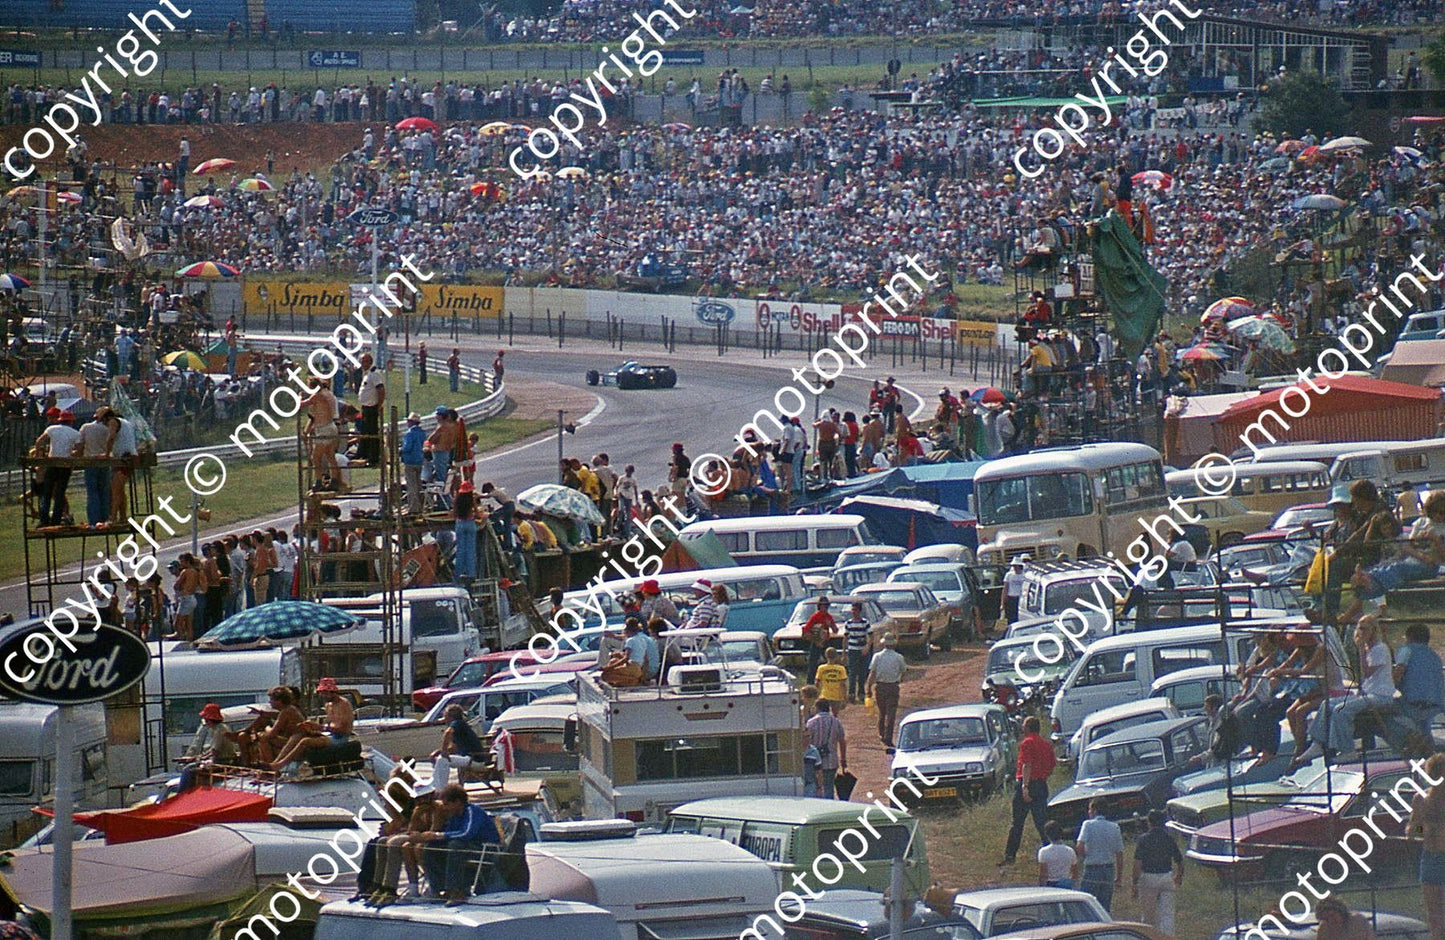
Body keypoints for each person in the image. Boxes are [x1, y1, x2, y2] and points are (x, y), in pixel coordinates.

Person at [421, 783, 502, 904]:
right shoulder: (454, 816)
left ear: (458, 802)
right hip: (467, 848)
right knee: (431, 847)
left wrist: (439, 835)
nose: (444, 807)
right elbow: (449, 833)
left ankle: (457, 891)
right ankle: (437, 888)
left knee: (455, 845)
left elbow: (466, 833)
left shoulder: (472, 811)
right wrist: (432, 836)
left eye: (447, 804)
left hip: (485, 850)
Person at [1001, 715, 1056, 866]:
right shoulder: (1046, 744)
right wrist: (1043, 776)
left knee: (1017, 823)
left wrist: (1025, 787)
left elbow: (1027, 765)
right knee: (1042, 822)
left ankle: (1010, 856)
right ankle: (1051, 853)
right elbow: (1052, 765)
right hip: (1041, 784)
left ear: (1028, 728)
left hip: (1027, 784)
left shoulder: (1027, 743)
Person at [367, 791, 438, 905]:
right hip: (418, 836)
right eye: (418, 799)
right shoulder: (417, 809)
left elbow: (435, 829)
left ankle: (390, 888)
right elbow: (412, 829)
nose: (420, 801)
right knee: (381, 842)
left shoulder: (437, 808)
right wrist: (417, 815)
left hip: (430, 838)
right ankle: (379, 885)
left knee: (394, 843)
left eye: (423, 798)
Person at [269, 677, 355, 770]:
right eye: (322, 693)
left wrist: (321, 727)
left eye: (325, 693)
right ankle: (275, 764)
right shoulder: (328, 705)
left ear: (332, 692)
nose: (323, 696)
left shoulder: (344, 704)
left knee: (305, 741)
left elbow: (343, 730)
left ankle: (280, 765)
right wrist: (312, 728)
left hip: (339, 738)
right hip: (329, 735)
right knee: (298, 735)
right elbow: (328, 726)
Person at [1407, 752, 1445, 940]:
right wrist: (1426, 829)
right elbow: (1413, 831)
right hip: (1430, 857)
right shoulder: (1421, 799)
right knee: (1434, 913)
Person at [1131, 811, 1183, 935]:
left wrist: (1134, 883)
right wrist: (1179, 876)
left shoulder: (1143, 839)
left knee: (1148, 916)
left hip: (1148, 878)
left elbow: (1137, 863)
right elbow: (1179, 860)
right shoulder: (1169, 838)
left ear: (1149, 822)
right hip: (1166, 876)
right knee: (1167, 915)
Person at [232, 686, 305, 765]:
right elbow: (273, 716)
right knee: (261, 731)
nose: (269, 702)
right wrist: (262, 713)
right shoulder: (288, 709)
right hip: (291, 739)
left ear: (279, 701)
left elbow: (271, 734)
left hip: (295, 742)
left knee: (263, 737)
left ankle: (269, 765)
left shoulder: (286, 711)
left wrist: (266, 727)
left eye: (271, 699)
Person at [1395, 623, 1445, 735]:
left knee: (1380, 711)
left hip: (1413, 705)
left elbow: (1398, 673)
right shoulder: (1435, 656)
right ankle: (1425, 745)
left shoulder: (1406, 650)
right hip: (1436, 706)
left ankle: (1370, 745)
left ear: (1409, 637)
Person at [1076, 799, 1124, 912]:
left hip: (1092, 868)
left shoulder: (1088, 824)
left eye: (1090, 809)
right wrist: (1119, 877)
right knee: (1104, 906)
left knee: (1087, 906)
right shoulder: (1114, 827)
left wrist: (1085, 855)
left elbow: (1080, 845)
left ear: (1094, 810)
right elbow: (1120, 853)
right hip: (1108, 869)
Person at [34, 408, 79, 526]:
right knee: (59, 493)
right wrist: (71, 454)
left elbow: (39, 442)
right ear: (71, 421)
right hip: (65, 465)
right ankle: (56, 519)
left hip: (52, 463)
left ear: (60, 420)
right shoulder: (75, 433)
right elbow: (79, 451)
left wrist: (40, 455)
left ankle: (44, 520)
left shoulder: (51, 429)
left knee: (46, 493)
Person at [177, 702, 237, 791]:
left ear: (210, 719)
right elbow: (211, 751)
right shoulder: (218, 728)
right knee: (191, 766)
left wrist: (198, 759)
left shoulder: (220, 730)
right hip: (220, 760)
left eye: (206, 720)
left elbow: (214, 751)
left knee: (188, 770)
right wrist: (197, 757)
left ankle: (181, 794)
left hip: (223, 762)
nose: (206, 722)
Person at [430, 703, 487, 788]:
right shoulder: (461, 727)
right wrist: (439, 751)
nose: (444, 719)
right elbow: (453, 748)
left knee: (442, 760)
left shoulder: (458, 723)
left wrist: (444, 751)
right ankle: (435, 785)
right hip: (469, 758)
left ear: (450, 717)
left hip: (474, 759)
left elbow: (448, 733)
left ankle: (439, 789)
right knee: (440, 759)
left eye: (445, 716)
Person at [867, 633, 907, 748]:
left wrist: (868, 687)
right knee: (891, 713)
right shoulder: (899, 657)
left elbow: (872, 673)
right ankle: (888, 736)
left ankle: (881, 733)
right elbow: (903, 671)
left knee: (882, 711)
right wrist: (899, 680)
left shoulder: (877, 657)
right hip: (893, 686)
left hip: (880, 686)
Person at [805, 699, 847, 799]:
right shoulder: (836, 721)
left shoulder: (811, 722)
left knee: (815, 786)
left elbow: (806, 740)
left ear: (817, 708)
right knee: (829, 787)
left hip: (814, 760)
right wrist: (843, 759)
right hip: (831, 760)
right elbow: (842, 741)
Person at [357, 352, 385, 465]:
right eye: (362, 361)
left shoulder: (374, 374)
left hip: (372, 407)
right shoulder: (367, 374)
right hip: (366, 407)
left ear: (370, 362)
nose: (363, 363)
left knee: (372, 432)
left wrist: (378, 405)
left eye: (366, 361)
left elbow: (381, 390)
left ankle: (373, 457)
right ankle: (364, 454)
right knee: (365, 431)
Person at [843, 601, 871, 703]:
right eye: (852, 610)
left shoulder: (865, 623)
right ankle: (851, 694)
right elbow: (845, 638)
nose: (853, 612)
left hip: (862, 650)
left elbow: (870, 636)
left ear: (859, 611)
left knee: (862, 672)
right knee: (852, 673)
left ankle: (861, 693)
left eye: (855, 610)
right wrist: (844, 653)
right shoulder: (848, 623)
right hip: (852, 650)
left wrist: (867, 647)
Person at [1037, 821, 1077, 889]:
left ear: (1047, 834)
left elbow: (1043, 874)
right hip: (1066, 884)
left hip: (1050, 884)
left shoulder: (1043, 851)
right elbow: (1075, 873)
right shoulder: (1070, 851)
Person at [803, 596, 836, 680]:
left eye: (826, 606)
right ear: (819, 606)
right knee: (812, 664)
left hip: (825, 642)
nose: (824, 608)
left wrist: (830, 625)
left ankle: (830, 678)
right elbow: (806, 630)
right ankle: (810, 682)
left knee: (830, 662)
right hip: (816, 642)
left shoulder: (829, 617)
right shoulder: (815, 616)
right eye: (823, 606)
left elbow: (835, 630)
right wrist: (815, 640)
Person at [453, 481, 479, 582]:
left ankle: (458, 574)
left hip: (460, 523)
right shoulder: (471, 500)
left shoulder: (457, 500)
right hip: (470, 523)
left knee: (460, 550)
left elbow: (454, 514)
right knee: (470, 550)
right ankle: (470, 574)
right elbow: (476, 513)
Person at [401, 412, 426, 514]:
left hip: (410, 461)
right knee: (418, 484)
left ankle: (413, 508)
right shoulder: (422, 433)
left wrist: (400, 450)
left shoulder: (410, 433)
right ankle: (420, 506)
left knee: (411, 486)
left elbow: (407, 447)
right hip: (419, 460)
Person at [1003, 556, 1027, 624]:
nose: (1015, 568)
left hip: (1021, 599)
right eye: (1014, 566)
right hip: (1011, 598)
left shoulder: (1024, 575)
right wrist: (1003, 603)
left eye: (1016, 566)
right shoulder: (1009, 575)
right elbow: (1005, 588)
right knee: (1011, 618)